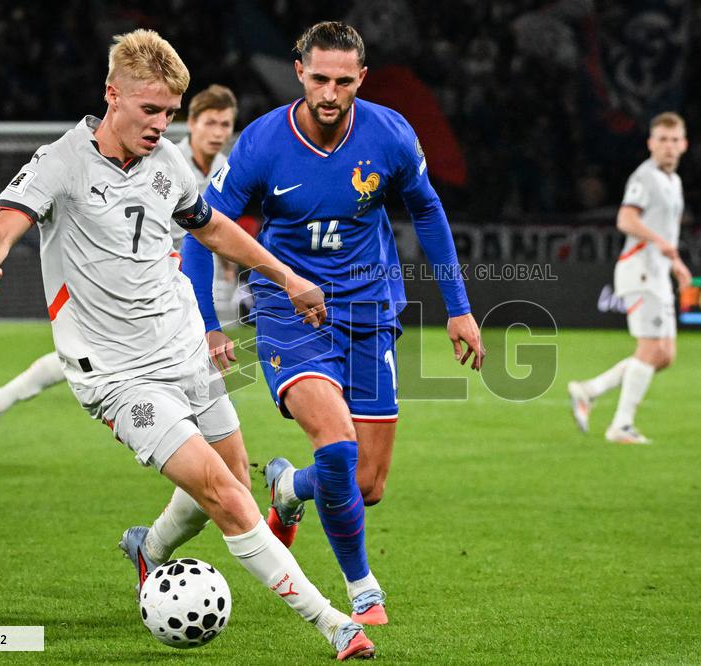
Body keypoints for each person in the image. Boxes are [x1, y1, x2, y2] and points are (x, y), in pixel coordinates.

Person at [0, 29, 373, 660]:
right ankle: (334, 623)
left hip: (183, 349)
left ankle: (147, 550)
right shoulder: (61, 162)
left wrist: (287, 278)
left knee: (230, 478)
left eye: (169, 113)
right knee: (227, 493)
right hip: (118, 375)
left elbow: (214, 230)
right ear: (112, 96)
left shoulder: (166, 163)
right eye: (149, 110)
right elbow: (4, 225)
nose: (160, 125)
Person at [188, 21, 486, 626]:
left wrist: (458, 308)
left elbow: (427, 210)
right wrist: (210, 322)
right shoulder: (261, 143)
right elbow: (201, 230)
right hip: (287, 311)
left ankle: (290, 488)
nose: (329, 92)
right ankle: (361, 588)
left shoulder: (391, 134)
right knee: (337, 441)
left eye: (343, 81)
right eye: (319, 78)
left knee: (367, 484)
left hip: (370, 310)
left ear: (361, 79)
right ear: (299, 71)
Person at [0, 85, 241, 459]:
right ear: (192, 123)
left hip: (174, 287)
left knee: (205, 412)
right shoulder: (162, 156)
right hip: (130, 283)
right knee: (100, 363)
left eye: (226, 124)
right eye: (211, 122)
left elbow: (213, 227)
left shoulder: (222, 166)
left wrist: (226, 266)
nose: (219, 132)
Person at [568, 112, 693, 444]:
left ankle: (589, 390)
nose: (668, 146)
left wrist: (675, 259)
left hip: (658, 273)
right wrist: (663, 244)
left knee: (664, 355)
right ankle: (621, 426)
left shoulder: (674, 182)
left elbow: (666, 233)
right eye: (662, 140)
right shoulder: (645, 177)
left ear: (684, 144)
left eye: (674, 140)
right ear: (651, 143)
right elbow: (625, 218)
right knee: (651, 349)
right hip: (639, 271)